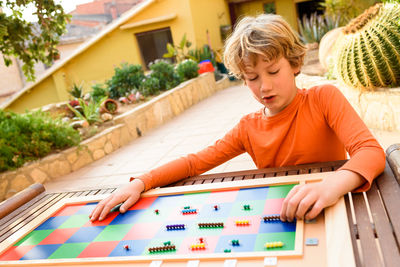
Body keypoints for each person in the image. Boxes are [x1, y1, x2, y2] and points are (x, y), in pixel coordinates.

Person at [90, 14, 385, 223]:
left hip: (334, 207)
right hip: (281, 215)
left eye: (273, 72)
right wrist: (140, 182)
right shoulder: (248, 127)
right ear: (243, 79)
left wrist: (333, 184)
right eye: (252, 77)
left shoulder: (324, 98)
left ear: (295, 64)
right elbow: (195, 163)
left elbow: (371, 153)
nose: (264, 86)